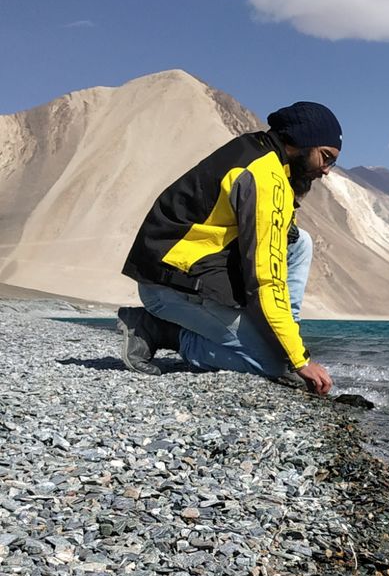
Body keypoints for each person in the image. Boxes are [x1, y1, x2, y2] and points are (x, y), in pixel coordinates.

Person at [117, 101, 341, 395]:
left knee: (299, 243)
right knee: (273, 363)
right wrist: (297, 360)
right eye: (325, 157)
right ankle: (159, 330)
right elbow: (265, 279)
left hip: (188, 272)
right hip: (170, 286)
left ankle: (287, 339)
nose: (325, 171)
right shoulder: (265, 178)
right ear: (300, 141)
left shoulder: (259, 154)